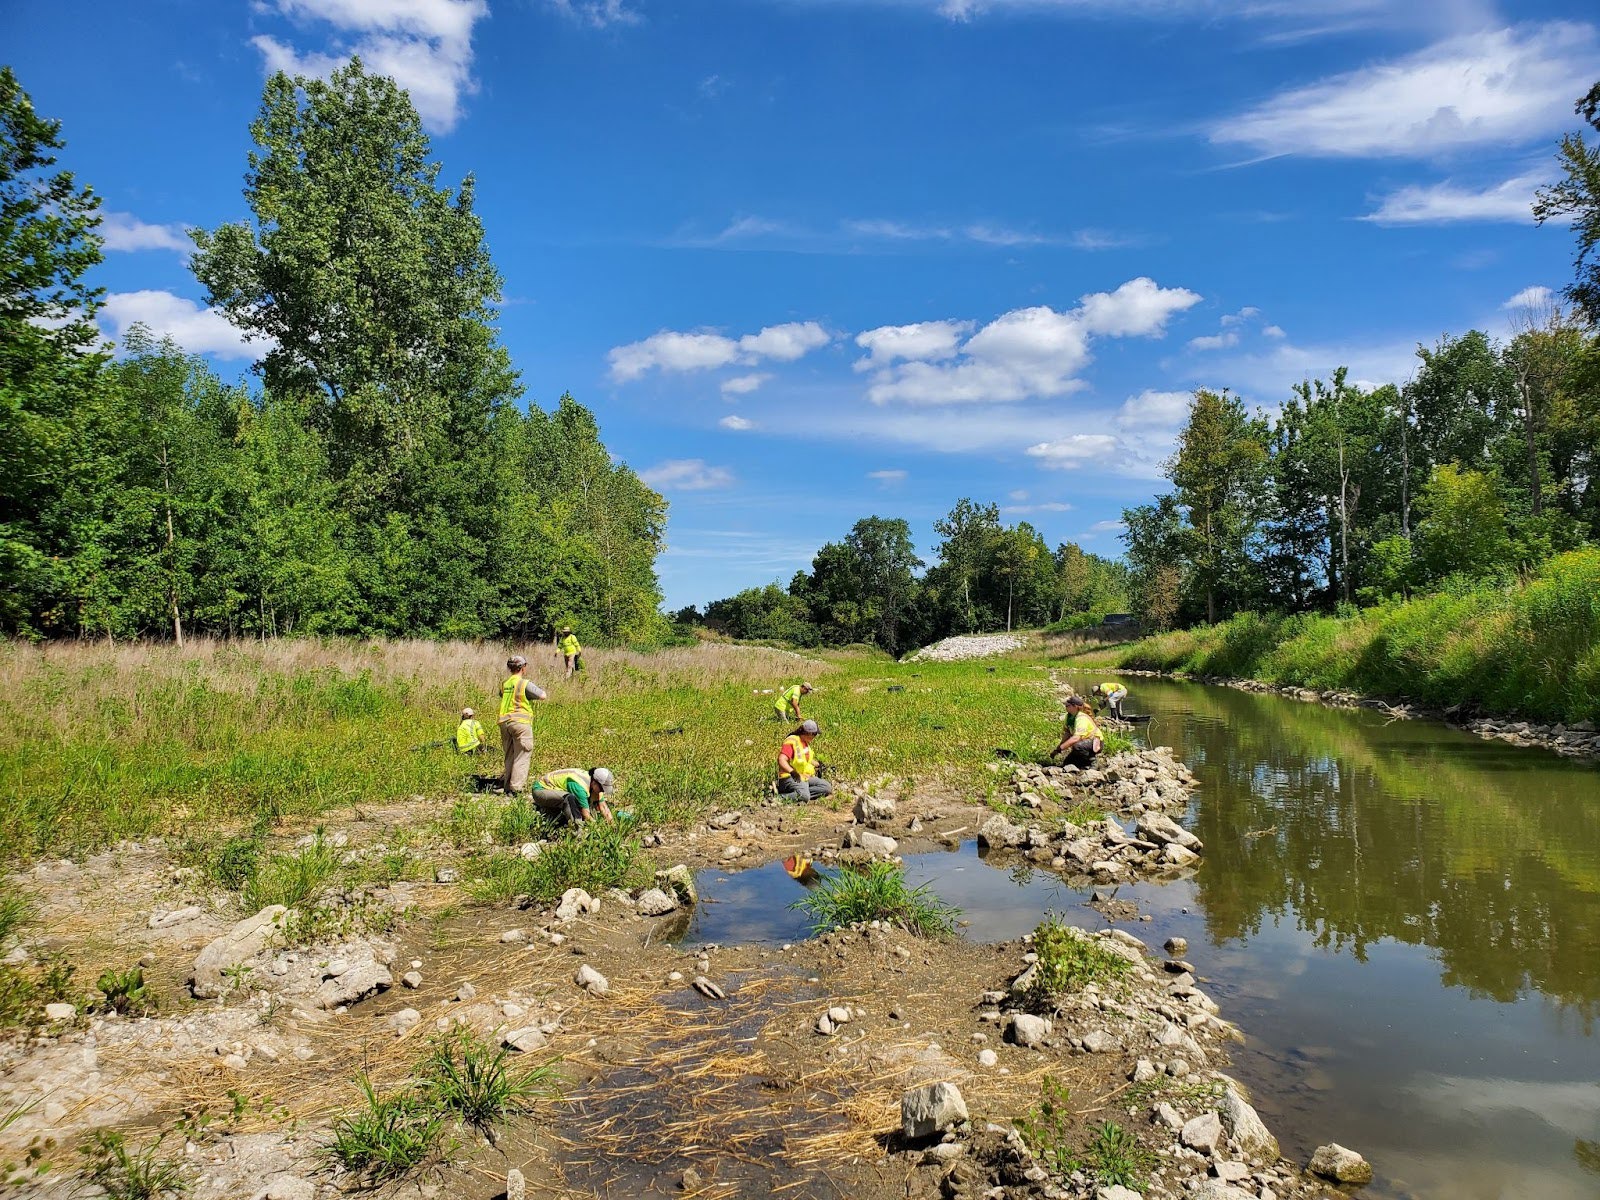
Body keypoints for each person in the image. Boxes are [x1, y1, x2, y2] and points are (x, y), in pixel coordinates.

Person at [498, 655, 547, 794]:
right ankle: (516, 788)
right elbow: (542, 696)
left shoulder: (505, 684)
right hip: (520, 723)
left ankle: (507, 786)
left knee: (509, 755)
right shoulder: (524, 683)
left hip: (504, 722)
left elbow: (503, 695)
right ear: (523, 668)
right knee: (522, 755)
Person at [532, 766, 616, 824]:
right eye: (602, 789)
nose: (602, 791)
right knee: (569, 799)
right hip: (540, 790)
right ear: (594, 782)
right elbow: (586, 814)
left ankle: (550, 812)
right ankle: (577, 831)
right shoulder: (580, 786)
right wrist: (597, 828)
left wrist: (612, 824)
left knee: (592, 810)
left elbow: (604, 808)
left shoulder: (594, 784)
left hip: (554, 792)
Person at [777, 718, 834, 803]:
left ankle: (800, 793)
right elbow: (781, 759)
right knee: (804, 795)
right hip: (789, 777)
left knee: (826, 787)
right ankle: (779, 798)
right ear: (809, 733)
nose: (815, 737)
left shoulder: (804, 743)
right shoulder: (792, 741)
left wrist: (820, 765)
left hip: (803, 776)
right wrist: (792, 772)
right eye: (814, 734)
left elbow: (805, 760)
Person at [1054, 695, 1104, 769]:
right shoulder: (1069, 717)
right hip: (1083, 743)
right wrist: (1058, 748)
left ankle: (1092, 761)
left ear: (1074, 706)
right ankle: (1083, 763)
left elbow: (1076, 738)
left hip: (1095, 742)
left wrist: (1061, 748)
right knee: (1067, 763)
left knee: (1077, 746)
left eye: (1067, 705)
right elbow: (1067, 734)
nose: (1065, 707)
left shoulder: (1081, 718)